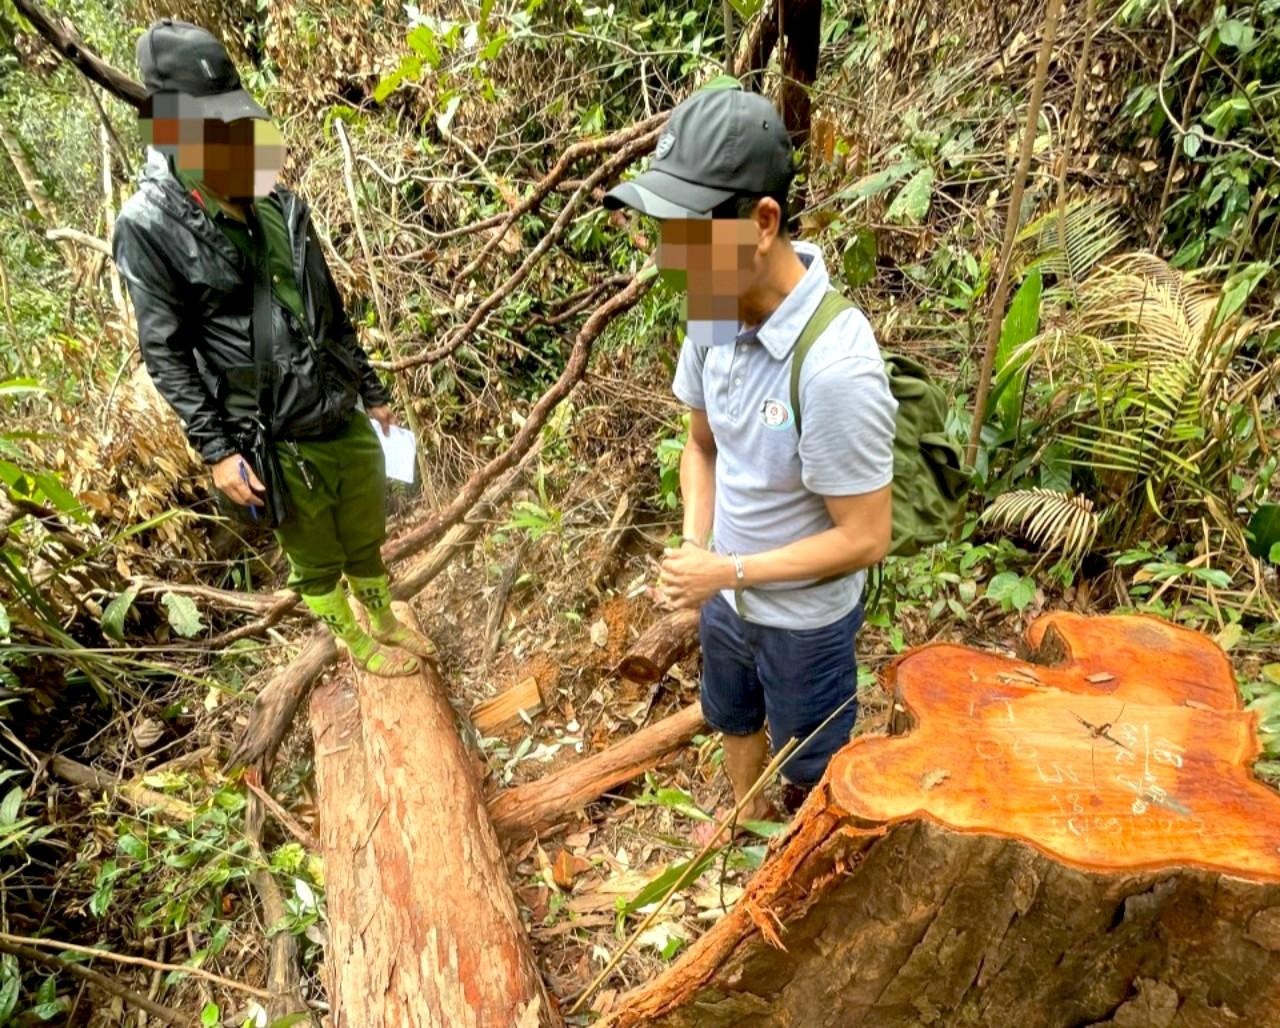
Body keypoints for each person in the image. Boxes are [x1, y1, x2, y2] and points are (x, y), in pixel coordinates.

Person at [603, 84, 897, 821]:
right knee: (732, 716)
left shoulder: (835, 367)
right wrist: (697, 550)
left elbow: (866, 536)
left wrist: (725, 569)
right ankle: (741, 826)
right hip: (725, 598)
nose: (671, 256)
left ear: (762, 222)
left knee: (812, 762)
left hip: (804, 621)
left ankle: (801, 863)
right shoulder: (711, 308)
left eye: (688, 232)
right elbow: (700, 447)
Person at [112, 19, 433, 676]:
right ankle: (357, 642)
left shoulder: (274, 200)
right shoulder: (147, 227)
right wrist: (218, 452)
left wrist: (371, 391)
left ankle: (383, 616)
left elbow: (328, 304)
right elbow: (166, 351)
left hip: (333, 402)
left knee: (366, 521)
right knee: (315, 550)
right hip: (271, 429)